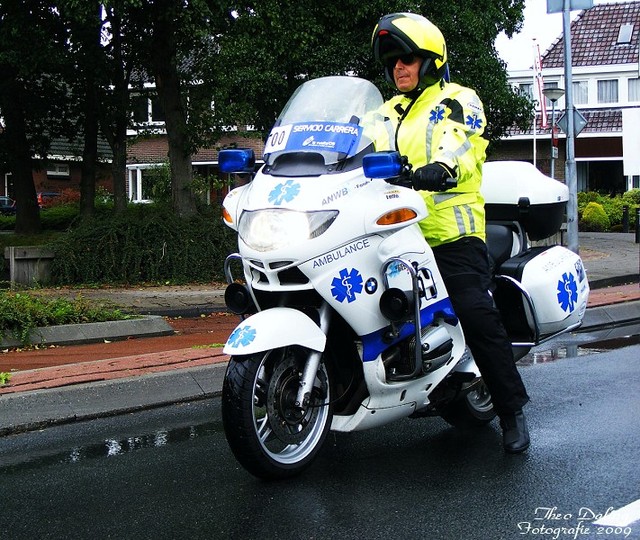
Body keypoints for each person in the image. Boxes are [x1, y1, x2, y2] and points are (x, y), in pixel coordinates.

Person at [371, 12, 530, 453]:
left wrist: (440, 168)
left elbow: (462, 142)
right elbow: (348, 152)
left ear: (431, 62)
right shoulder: (381, 114)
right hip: (392, 237)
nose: (399, 68)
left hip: (450, 238)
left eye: (408, 59)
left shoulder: (458, 100)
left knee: (476, 313)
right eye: (393, 62)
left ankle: (511, 410)